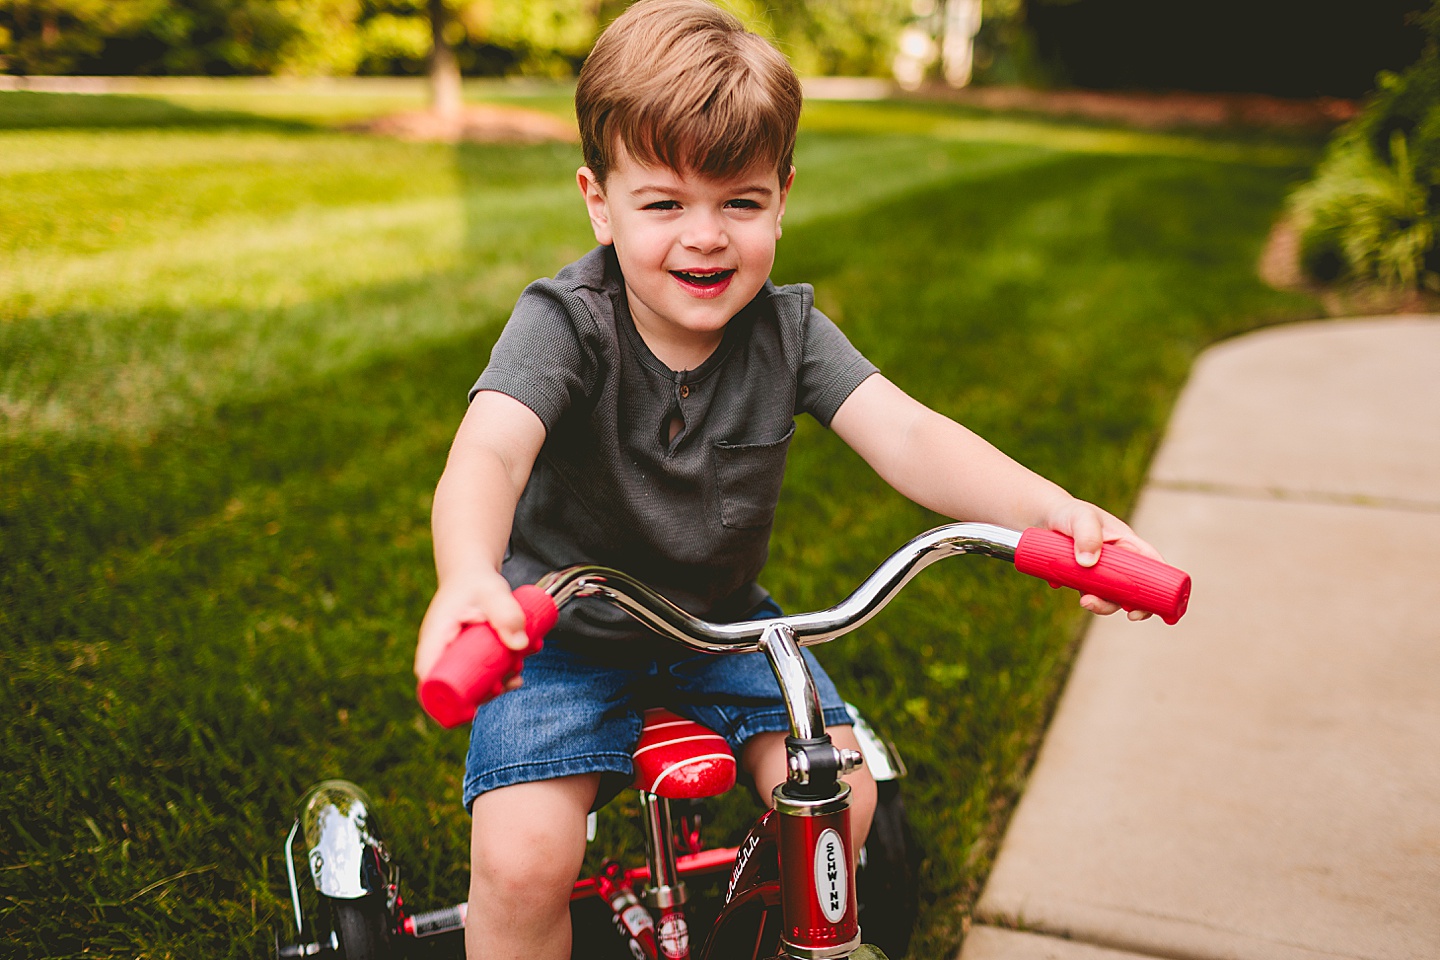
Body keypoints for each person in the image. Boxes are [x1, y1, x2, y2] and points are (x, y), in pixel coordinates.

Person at [413, 1, 1162, 956]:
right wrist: (471, 573)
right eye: (663, 203)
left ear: (783, 196)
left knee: (841, 802)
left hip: (723, 622)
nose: (705, 237)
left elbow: (911, 436)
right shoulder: (567, 324)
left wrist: (1055, 515)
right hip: (562, 630)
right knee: (524, 860)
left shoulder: (789, 331)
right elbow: (490, 450)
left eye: (740, 201)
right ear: (598, 201)